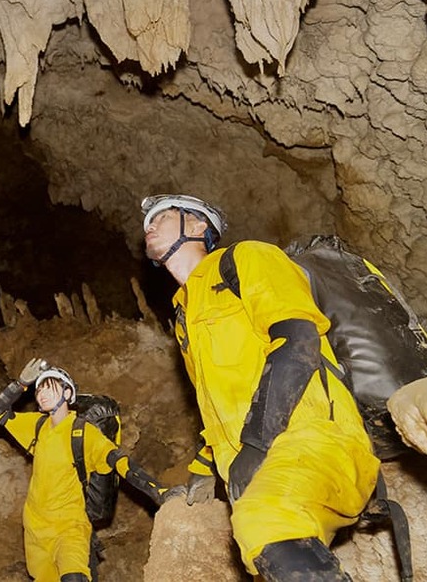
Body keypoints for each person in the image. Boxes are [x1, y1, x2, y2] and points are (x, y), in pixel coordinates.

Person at [140, 194, 380, 581]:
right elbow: (216, 406)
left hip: (312, 439)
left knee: (267, 522)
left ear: (198, 225)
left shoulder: (246, 259)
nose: (149, 225)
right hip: (252, 470)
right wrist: (205, 469)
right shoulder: (185, 316)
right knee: (263, 547)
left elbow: (297, 342)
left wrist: (256, 442)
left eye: (163, 216)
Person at [0, 358, 180, 582]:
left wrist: (160, 492)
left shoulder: (84, 433)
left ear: (68, 393)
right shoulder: (37, 426)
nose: (42, 393)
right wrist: (20, 384)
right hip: (35, 531)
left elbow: (121, 463)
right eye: (39, 389)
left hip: (70, 527)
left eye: (50, 387)